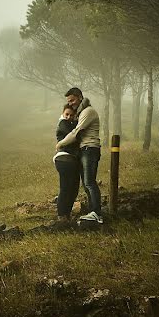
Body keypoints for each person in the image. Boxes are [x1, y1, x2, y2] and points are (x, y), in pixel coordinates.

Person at [56, 87, 103, 224]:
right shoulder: (81, 112)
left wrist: (60, 144)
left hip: (90, 149)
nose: (71, 103)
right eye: (68, 101)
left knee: (89, 182)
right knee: (86, 183)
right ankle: (93, 212)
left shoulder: (88, 111)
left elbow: (76, 132)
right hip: (84, 149)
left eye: (72, 100)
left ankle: (96, 213)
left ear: (80, 97)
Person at [53, 104, 80, 223]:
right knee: (65, 188)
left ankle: (66, 214)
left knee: (73, 188)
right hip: (63, 159)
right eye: (66, 114)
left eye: (71, 115)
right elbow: (73, 134)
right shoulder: (63, 123)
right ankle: (61, 216)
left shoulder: (70, 123)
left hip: (72, 160)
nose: (68, 117)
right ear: (63, 114)